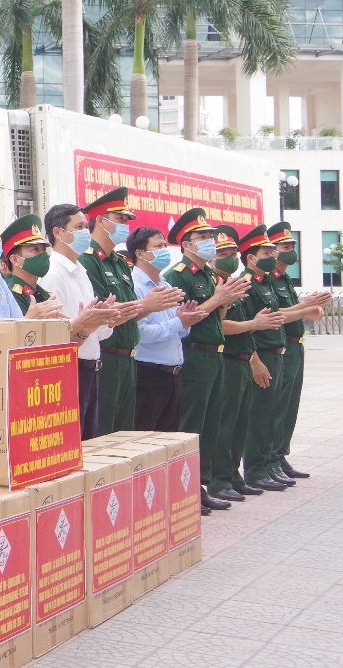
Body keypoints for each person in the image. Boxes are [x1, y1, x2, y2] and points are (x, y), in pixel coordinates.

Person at [164, 210, 251, 514]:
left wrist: (223, 302)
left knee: (210, 424)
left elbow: (217, 315)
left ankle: (201, 485)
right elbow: (188, 316)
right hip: (194, 353)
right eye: (202, 238)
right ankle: (183, 490)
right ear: (186, 244)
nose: (209, 242)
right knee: (192, 425)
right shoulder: (178, 274)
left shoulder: (208, 275)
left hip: (215, 353)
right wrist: (217, 299)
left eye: (210, 237)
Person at [79, 187, 182, 434]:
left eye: (127, 219)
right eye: (120, 219)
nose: (125, 224)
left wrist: (147, 308)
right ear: (101, 221)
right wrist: (144, 305)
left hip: (129, 358)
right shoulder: (89, 260)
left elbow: (130, 315)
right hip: (107, 355)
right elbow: (104, 312)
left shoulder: (118, 262)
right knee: (104, 434)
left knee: (126, 433)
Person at [40, 204, 133, 440]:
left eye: (85, 226)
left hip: (91, 366)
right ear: (58, 233)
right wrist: (86, 323)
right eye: (79, 227)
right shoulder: (53, 272)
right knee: (73, 441)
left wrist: (109, 319)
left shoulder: (81, 270)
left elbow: (96, 333)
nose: (85, 232)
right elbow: (52, 333)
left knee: (91, 441)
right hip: (70, 368)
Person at [209, 226, 283, 503]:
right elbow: (221, 325)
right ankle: (218, 480)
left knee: (240, 423)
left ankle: (233, 476)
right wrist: (254, 324)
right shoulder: (216, 286)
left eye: (232, 253)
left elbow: (246, 328)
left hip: (242, 359)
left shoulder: (234, 284)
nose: (229, 257)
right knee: (224, 425)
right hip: (226, 361)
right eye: (222, 253)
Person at [265, 222, 331, 479]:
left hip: (295, 347)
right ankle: (268, 459)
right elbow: (279, 315)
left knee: (289, 406)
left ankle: (280, 456)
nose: (290, 250)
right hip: (281, 347)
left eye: (292, 245)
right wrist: (306, 307)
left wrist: (309, 307)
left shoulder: (285, 280)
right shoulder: (269, 279)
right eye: (284, 246)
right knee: (276, 407)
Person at [127, 226, 207, 431]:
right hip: (148, 374)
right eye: (158, 246)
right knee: (146, 439)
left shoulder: (166, 285)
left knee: (168, 443)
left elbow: (176, 332)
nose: (164, 250)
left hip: (173, 374)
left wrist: (185, 322)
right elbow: (140, 333)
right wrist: (177, 323)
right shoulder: (134, 286)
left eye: (164, 245)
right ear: (140, 253)